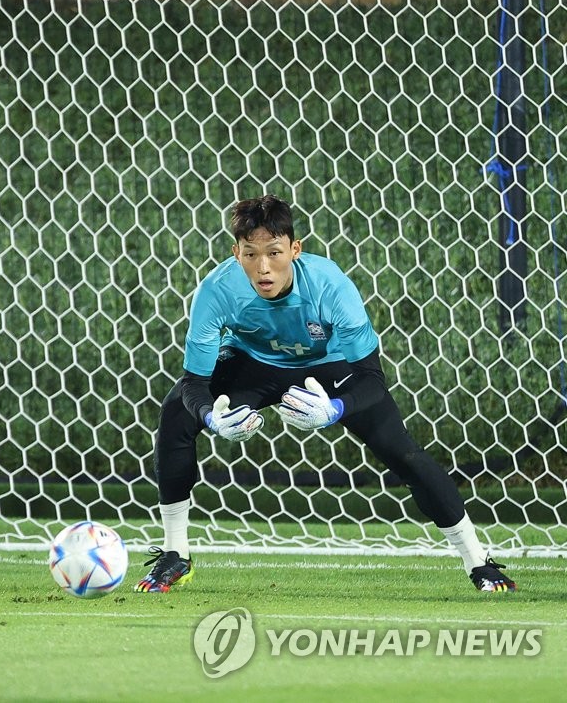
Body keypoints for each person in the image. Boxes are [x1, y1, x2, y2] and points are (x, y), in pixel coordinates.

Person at [134, 195, 516, 595]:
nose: (263, 267)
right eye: (250, 254)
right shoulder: (216, 290)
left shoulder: (330, 285)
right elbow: (194, 382)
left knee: (400, 450)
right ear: (236, 253)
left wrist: (335, 409)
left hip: (328, 367)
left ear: (295, 250)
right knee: (177, 411)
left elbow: (371, 379)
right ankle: (176, 554)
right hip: (254, 364)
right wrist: (212, 418)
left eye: (274, 253)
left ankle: (478, 561)